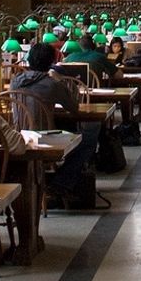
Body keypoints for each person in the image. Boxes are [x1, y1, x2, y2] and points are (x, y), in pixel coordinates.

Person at [9, 43, 100, 198]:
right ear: (51, 61)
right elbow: (73, 107)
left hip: (20, 136)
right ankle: (61, 182)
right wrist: (61, 81)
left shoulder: (15, 81)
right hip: (43, 137)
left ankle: (54, 179)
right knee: (90, 134)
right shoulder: (51, 84)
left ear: (29, 60)